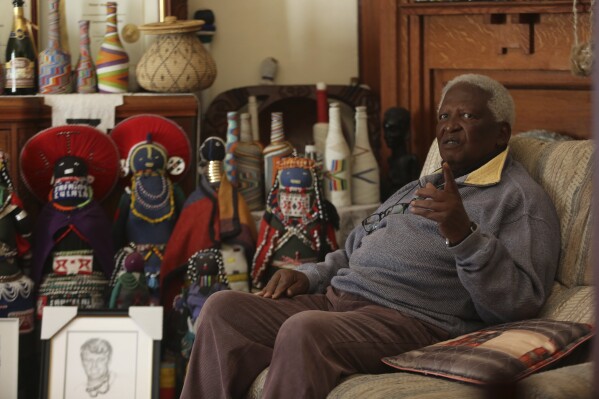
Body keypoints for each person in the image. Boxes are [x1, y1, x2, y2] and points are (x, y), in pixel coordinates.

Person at [180, 74, 561, 399]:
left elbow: (519, 302)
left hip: (413, 321)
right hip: (338, 302)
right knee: (221, 308)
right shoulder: (423, 184)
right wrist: (311, 274)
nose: (449, 125)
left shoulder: (519, 199)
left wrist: (464, 235)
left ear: (501, 134)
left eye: (467, 115)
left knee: (304, 329)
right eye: (445, 116)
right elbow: (353, 249)